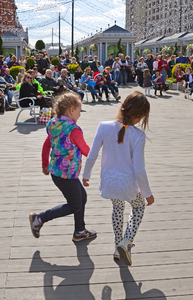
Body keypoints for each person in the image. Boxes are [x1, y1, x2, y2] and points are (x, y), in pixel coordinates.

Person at [82, 91, 154, 266]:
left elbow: (92, 155)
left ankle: (117, 246)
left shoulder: (103, 126)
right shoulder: (138, 135)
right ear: (139, 116)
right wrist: (147, 193)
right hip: (128, 185)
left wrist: (86, 175)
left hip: (109, 183)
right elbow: (139, 169)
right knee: (138, 208)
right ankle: (126, 242)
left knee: (117, 208)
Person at [29, 93, 97, 242]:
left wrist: (45, 165)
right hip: (68, 174)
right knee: (75, 205)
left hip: (57, 172)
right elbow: (86, 150)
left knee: (81, 198)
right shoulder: (74, 130)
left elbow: (46, 145)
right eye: (79, 111)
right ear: (71, 110)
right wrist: (103, 154)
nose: (80, 114)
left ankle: (79, 230)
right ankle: (39, 218)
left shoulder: (54, 124)